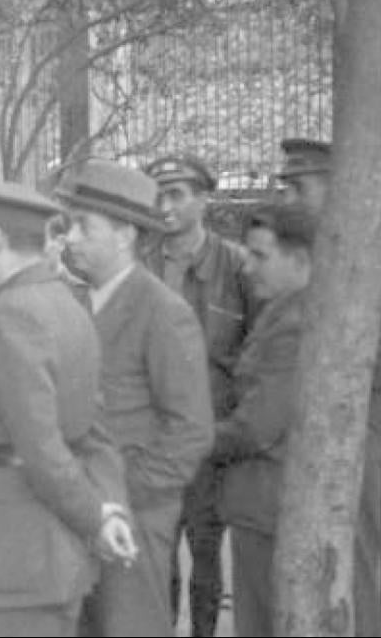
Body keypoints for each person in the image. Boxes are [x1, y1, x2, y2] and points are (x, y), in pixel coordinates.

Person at [0, 178, 138, 637]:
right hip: (43, 553)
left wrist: (96, 518)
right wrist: (108, 510)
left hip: (9, 553)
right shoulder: (66, 306)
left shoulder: (8, 315)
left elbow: (40, 448)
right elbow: (95, 434)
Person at [56, 158, 214, 637]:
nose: (69, 238)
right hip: (76, 514)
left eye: (84, 226)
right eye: (68, 225)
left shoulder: (163, 311)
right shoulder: (74, 303)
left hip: (135, 517)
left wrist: (121, 496)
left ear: (125, 234)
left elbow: (191, 432)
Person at [142, 153, 253, 638]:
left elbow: (256, 352)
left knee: (206, 554)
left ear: (203, 199)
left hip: (212, 437)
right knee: (155, 552)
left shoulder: (238, 266)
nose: (164, 207)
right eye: (158, 196)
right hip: (153, 435)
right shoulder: (140, 263)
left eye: (176, 195)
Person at [275, 137, 379, 637]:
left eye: (299, 188)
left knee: (361, 570)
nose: (286, 200)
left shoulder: (367, 259)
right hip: (319, 445)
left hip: (366, 441)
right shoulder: (309, 262)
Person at [213, 204, 314, 637]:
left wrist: (189, 439)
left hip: (269, 504)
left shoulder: (295, 324)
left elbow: (256, 427)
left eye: (260, 256)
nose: (247, 267)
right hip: (263, 501)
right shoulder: (278, 313)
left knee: (260, 623)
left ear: (300, 260)